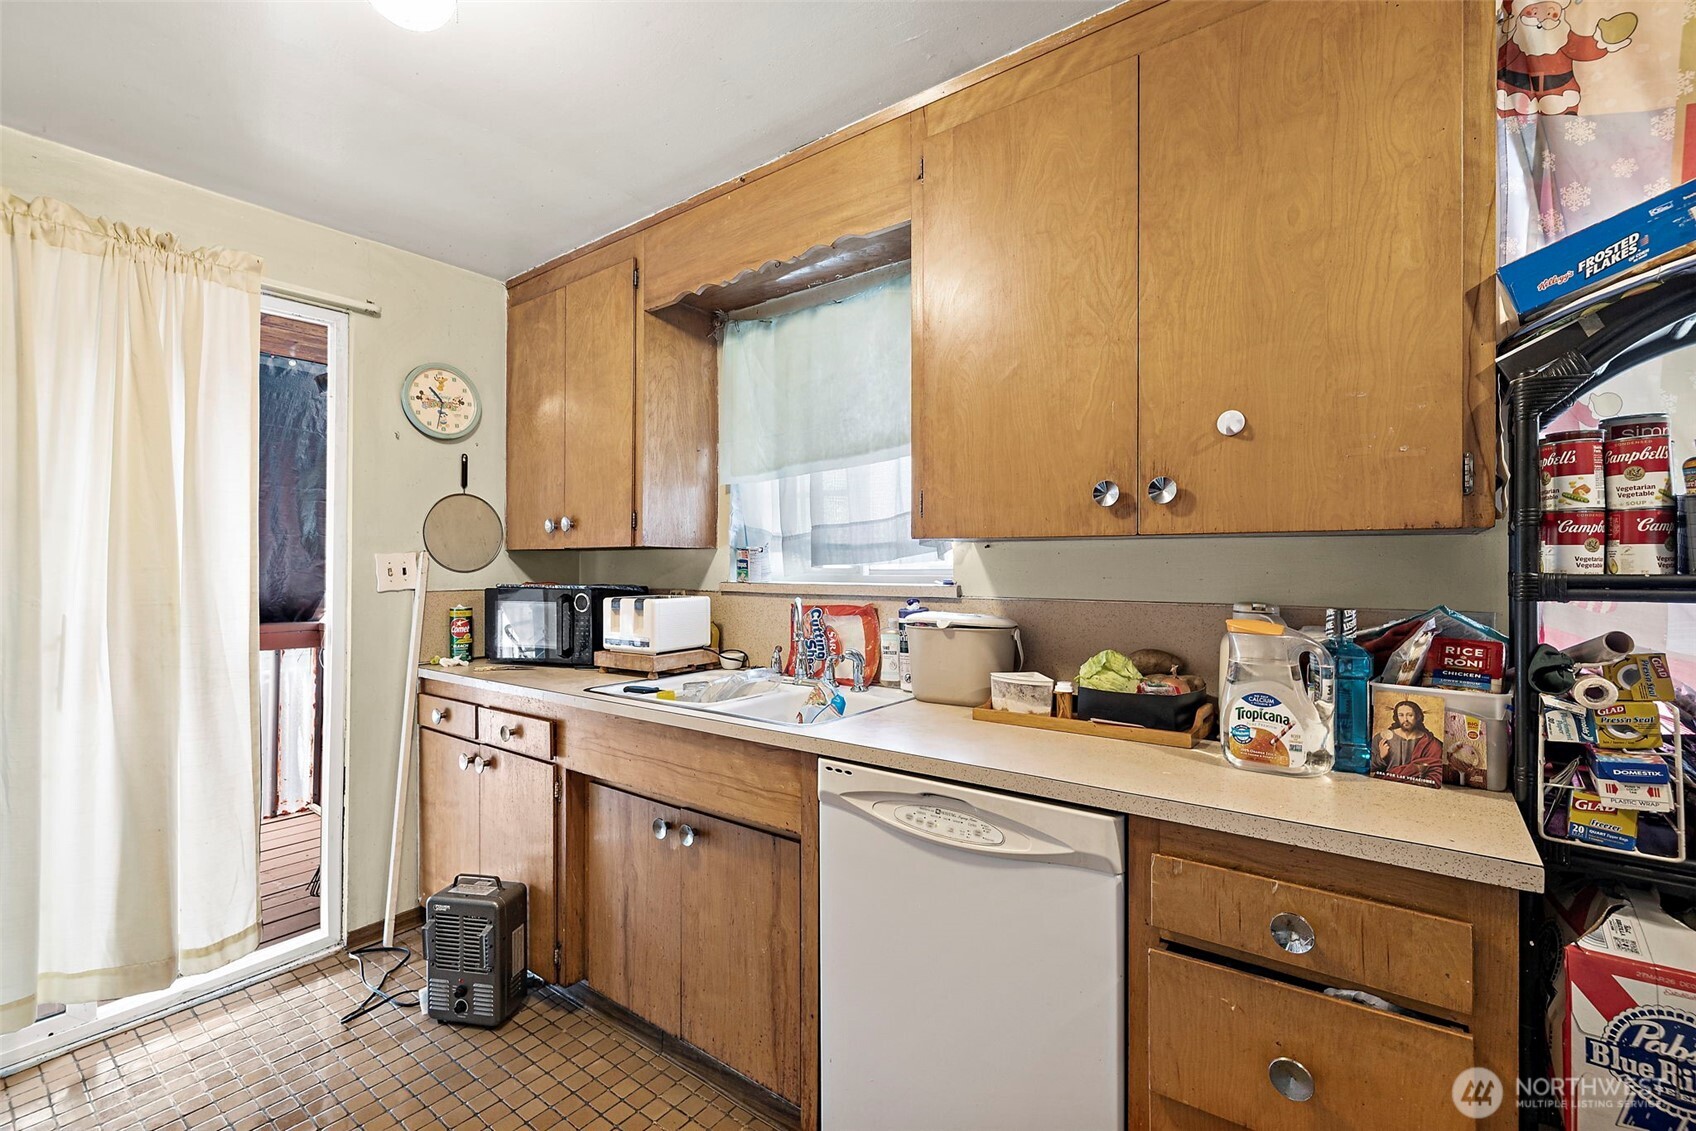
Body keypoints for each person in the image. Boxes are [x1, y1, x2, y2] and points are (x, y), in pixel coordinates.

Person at [1371, 700, 1444, 785]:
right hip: (1387, 784)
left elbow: (1437, 771)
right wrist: (1381, 757)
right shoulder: (1382, 738)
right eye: (1401, 715)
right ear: (1396, 717)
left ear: (1417, 717)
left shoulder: (1431, 743)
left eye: (1410, 715)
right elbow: (1370, 767)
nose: (1405, 719)